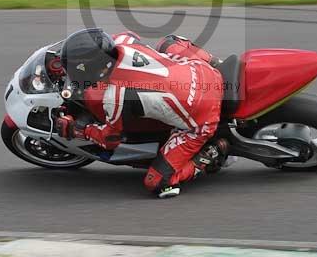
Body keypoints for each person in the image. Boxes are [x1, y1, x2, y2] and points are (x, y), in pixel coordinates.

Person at [56, 28, 229, 198]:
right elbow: (130, 34)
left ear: (92, 69)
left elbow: (109, 140)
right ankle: (216, 62)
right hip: (202, 69)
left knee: (157, 182)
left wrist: (79, 130)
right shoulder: (122, 41)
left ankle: (210, 154)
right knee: (167, 42)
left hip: (203, 117)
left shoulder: (114, 96)